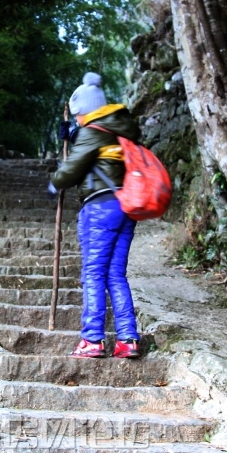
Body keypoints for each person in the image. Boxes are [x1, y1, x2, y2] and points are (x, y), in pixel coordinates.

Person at [50, 72, 142, 359]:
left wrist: (55, 182)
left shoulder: (92, 132)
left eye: (79, 115)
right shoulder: (121, 129)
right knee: (116, 274)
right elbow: (101, 154)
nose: (77, 120)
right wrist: (76, 135)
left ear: (87, 111)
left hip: (100, 208)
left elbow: (73, 168)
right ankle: (128, 340)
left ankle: (92, 339)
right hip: (126, 206)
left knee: (93, 273)